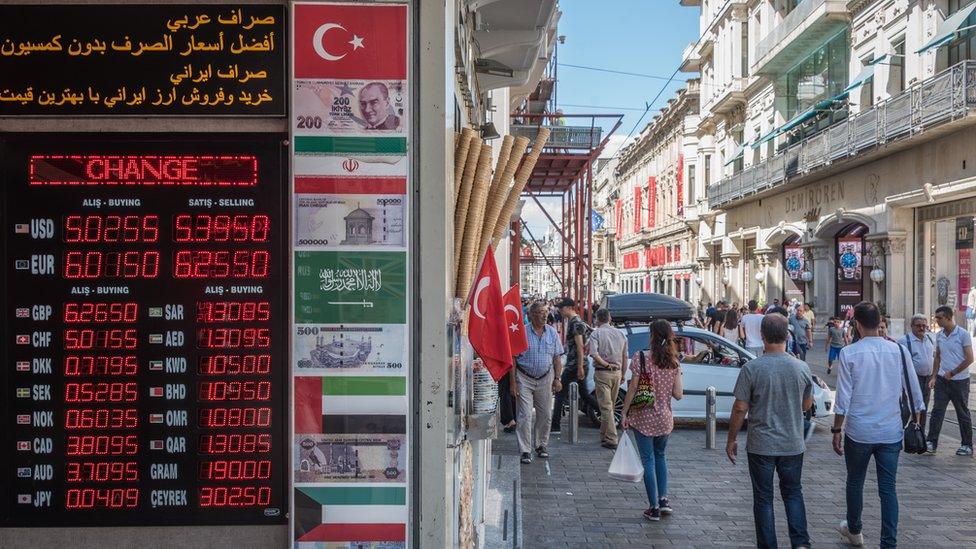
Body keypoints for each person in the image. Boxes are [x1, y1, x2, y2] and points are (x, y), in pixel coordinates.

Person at [832, 301, 925, 548]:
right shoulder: (899, 351)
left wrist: (836, 429)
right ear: (878, 322)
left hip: (859, 431)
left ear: (858, 325)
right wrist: (917, 422)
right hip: (890, 430)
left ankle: (855, 529)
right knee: (888, 489)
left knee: (855, 481)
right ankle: (888, 543)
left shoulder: (849, 353)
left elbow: (843, 398)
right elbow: (915, 393)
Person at [726, 313, 813, 549]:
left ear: (762, 336)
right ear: (787, 335)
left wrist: (731, 438)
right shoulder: (801, 367)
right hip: (792, 443)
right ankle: (801, 543)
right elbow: (806, 405)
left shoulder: (751, 368)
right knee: (793, 493)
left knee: (763, 498)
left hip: (761, 443)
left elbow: (740, 407)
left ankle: (768, 544)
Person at [620, 319, 683, 522]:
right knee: (660, 456)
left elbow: (632, 388)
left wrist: (624, 412)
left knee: (647, 460)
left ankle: (653, 507)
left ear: (652, 335)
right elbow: (679, 394)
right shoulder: (674, 362)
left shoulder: (640, 358)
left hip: (643, 417)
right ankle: (664, 500)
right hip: (665, 419)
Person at [512, 302, 563, 464]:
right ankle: (525, 450)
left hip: (545, 378)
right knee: (525, 415)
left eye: (545, 312)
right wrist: (513, 382)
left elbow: (557, 358)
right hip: (524, 377)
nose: (544, 315)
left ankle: (541, 445)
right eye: (540, 312)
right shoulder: (522, 332)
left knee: (546, 415)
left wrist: (557, 379)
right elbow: (513, 358)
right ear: (531, 314)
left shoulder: (553, 333)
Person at [926, 305, 974, 456]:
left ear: (948, 317)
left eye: (939, 318)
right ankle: (931, 442)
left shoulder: (963, 334)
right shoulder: (939, 335)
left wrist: (953, 373)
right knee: (937, 411)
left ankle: (967, 444)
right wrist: (934, 376)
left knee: (962, 412)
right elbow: (938, 357)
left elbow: (970, 358)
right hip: (942, 380)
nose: (937, 320)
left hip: (959, 381)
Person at [551, 298, 598, 435]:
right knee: (584, 394)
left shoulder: (576, 323)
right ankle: (608, 414)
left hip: (574, 365)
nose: (560, 310)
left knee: (560, 393)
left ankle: (555, 426)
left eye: (562, 307)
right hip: (576, 363)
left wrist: (580, 367)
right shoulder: (574, 322)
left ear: (569, 307)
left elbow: (579, 346)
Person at [588, 308, 628, 449]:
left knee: (606, 407)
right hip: (617, 373)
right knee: (609, 406)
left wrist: (605, 364)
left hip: (603, 372)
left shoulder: (596, 334)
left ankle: (612, 438)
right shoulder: (620, 334)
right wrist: (623, 373)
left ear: (597, 319)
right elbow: (624, 356)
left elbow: (593, 353)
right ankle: (604, 434)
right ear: (610, 319)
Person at [899, 313, 935, 432]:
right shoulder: (904, 341)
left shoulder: (929, 339)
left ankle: (919, 433)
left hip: (928, 379)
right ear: (912, 326)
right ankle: (903, 432)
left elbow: (934, 357)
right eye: (918, 325)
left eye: (924, 326)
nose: (921, 328)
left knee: (923, 406)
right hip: (912, 380)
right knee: (909, 407)